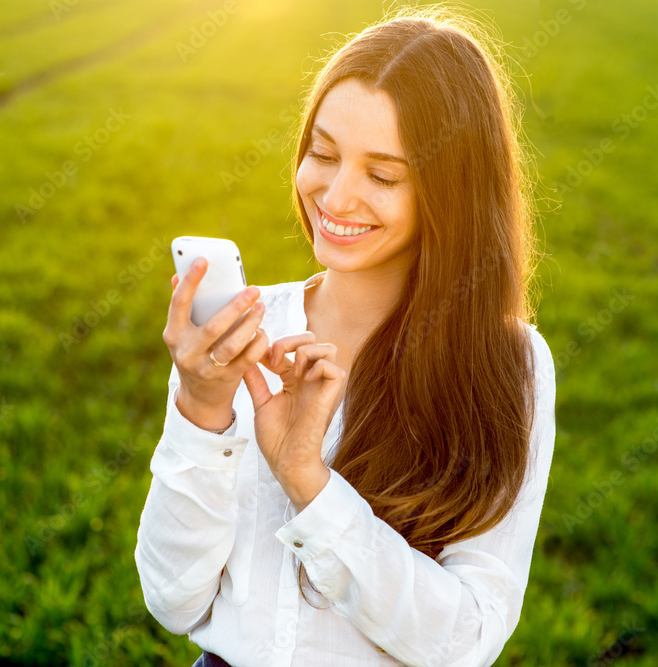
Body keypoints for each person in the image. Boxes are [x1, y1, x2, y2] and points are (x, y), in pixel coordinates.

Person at [134, 5, 556, 666]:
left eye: (382, 175)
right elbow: (173, 599)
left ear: (452, 193)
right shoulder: (239, 336)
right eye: (323, 154)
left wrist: (309, 480)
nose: (335, 195)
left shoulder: (511, 365)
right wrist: (201, 411)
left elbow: (467, 638)